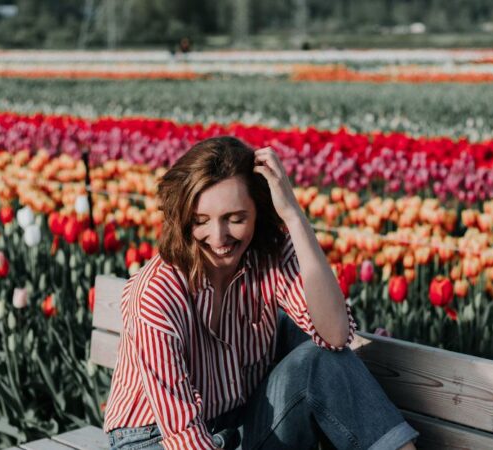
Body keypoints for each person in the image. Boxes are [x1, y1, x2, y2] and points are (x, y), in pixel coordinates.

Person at [103, 136, 419, 449]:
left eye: (236, 219)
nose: (218, 237)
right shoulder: (157, 292)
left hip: (236, 424)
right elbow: (183, 436)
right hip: (154, 437)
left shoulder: (269, 255)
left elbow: (334, 335)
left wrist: (293, 215)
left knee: (321, 360)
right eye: (201, 221)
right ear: (184, 219)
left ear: (259, 210)